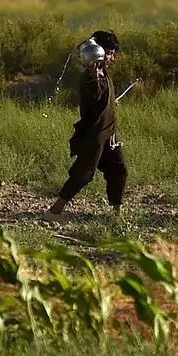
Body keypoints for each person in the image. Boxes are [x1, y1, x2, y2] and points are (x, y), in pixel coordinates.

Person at [45, 30, 127, 219]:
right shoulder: (92, 77)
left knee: (118, 170)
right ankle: (54, 211)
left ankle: (117, 214)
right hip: (95, 136)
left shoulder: (104, 75)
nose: (112, 58)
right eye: (109, 53)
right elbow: (95, 93)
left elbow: (101, 99)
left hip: (109, 135)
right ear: (98, 52)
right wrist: (94, 74)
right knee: (83, 174)